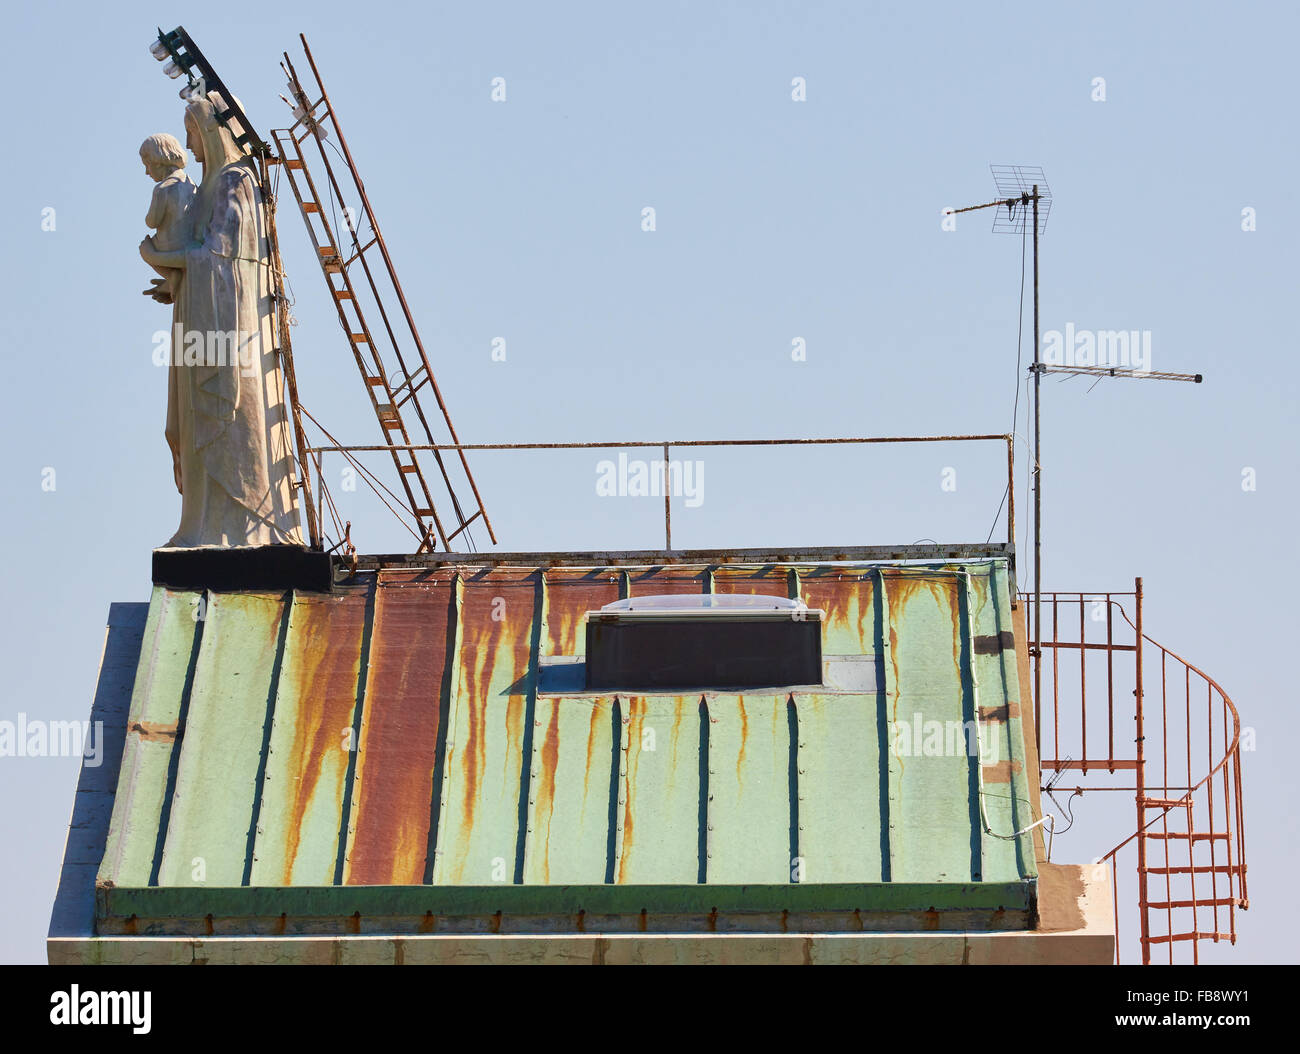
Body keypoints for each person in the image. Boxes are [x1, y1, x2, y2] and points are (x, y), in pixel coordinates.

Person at [138, 92, 304, 547]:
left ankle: (239, 527)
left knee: (228, 426)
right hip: (197, 321)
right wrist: (175, 281)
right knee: (186, 424)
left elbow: (226, 259)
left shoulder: (237, 183)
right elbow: (210, 260)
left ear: (210, 130)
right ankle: (200, 523)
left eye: (192, 132)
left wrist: (158, 256)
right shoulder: (211, 184)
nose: (190, 146)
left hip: (231, 338)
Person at [139, 133, 195, 304]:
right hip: (188, 241)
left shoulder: (162, 189)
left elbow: (152, 222)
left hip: (169, 246)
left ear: (158, 161)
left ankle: (172, 275)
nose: (147, 172)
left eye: (148, 165)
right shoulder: (191, 183)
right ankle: (174, 278)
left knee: (145, 247)